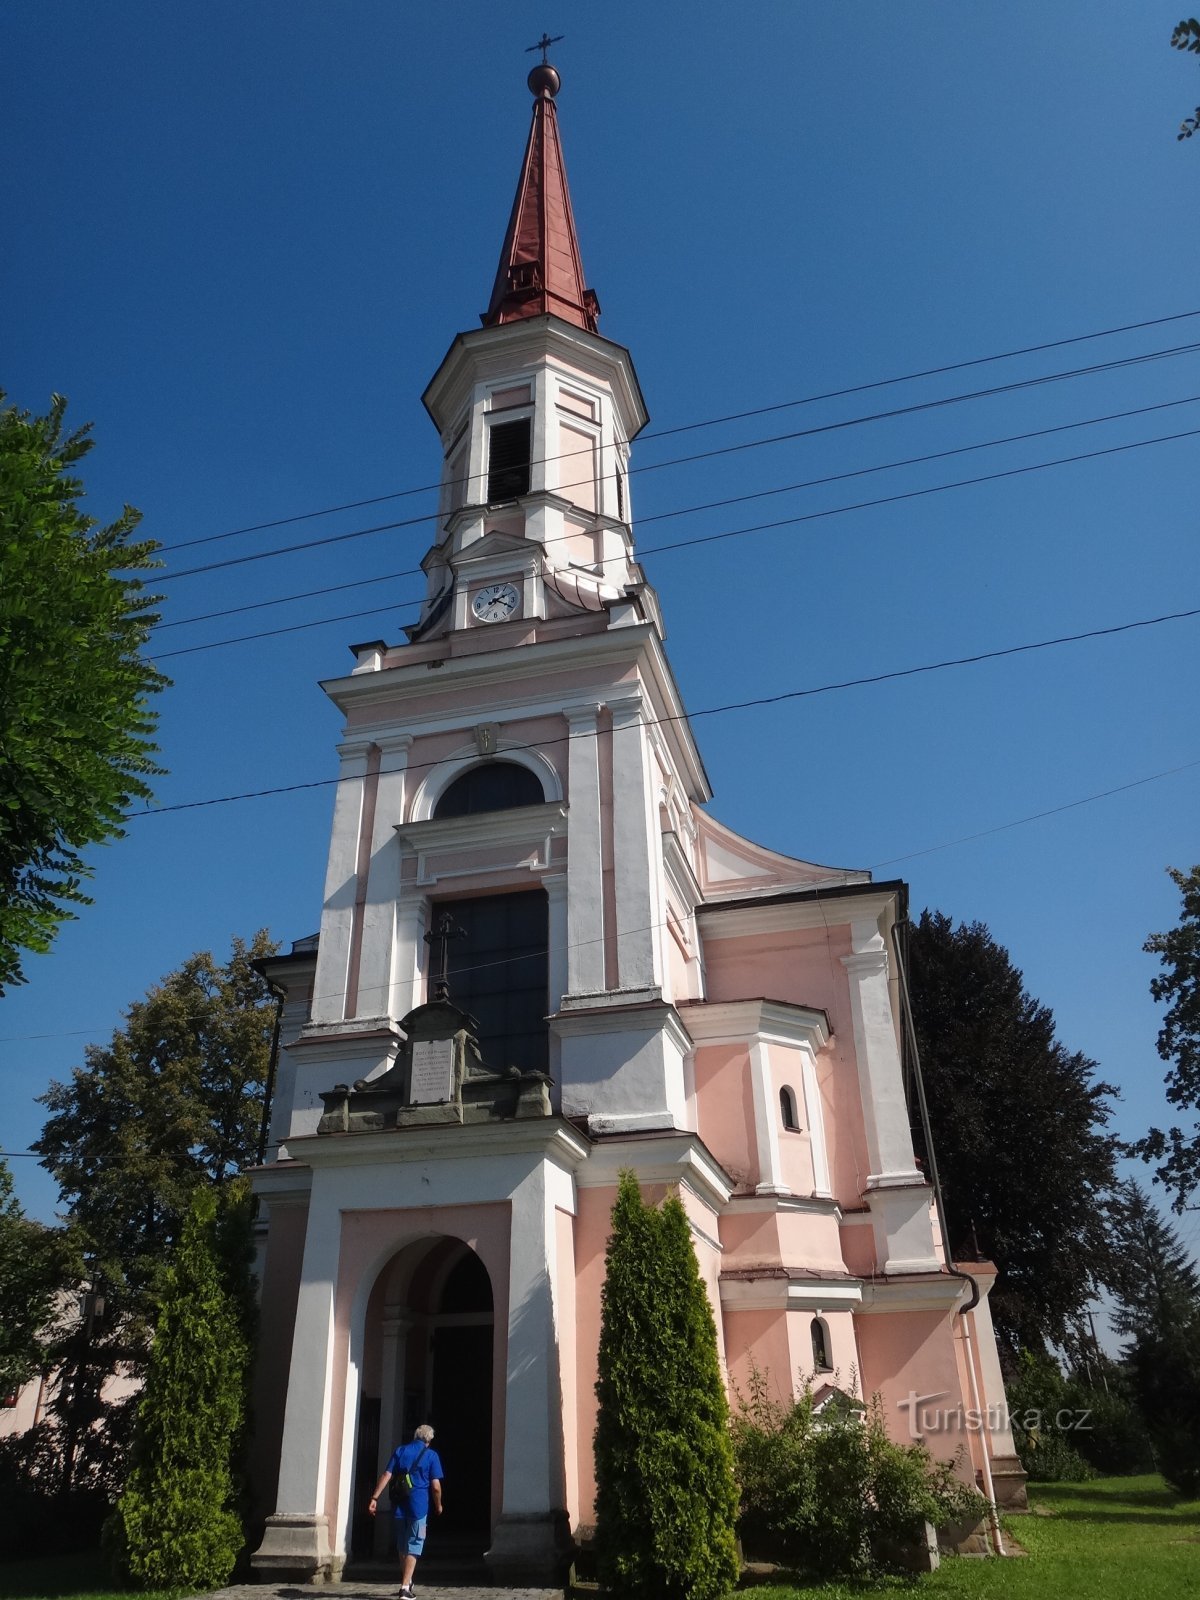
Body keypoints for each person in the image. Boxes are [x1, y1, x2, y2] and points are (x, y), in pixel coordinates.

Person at [368, 1422, 444, 1599]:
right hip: (419, 1507)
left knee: (402, 1546)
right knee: (414, 1546)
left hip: (399, 1505)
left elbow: (387, 1475)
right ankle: (404, 1587)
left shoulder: (401, 1451)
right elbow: (436, 1487)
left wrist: (375, 1498)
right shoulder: (431, 1455)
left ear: (415, 1436)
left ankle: (407, 1581)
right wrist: (438, 1505)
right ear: (429, 1440)